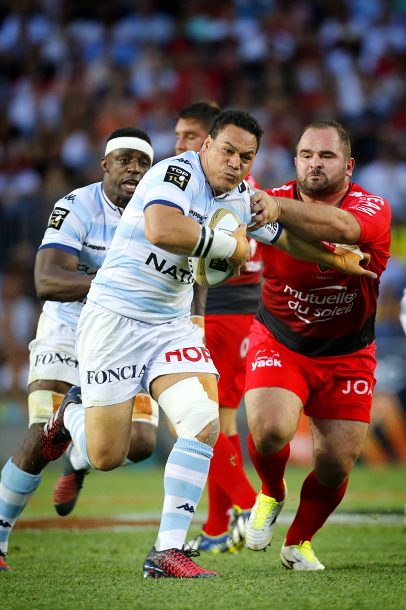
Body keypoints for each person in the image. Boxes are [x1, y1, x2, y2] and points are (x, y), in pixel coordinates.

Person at [37, 110, 373, 580]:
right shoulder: (174, 174)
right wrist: (227, 246)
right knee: (107, 454)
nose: (235, 163)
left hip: (170, 326)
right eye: (228, 151)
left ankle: (166, 551)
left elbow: (280, 238)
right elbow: (162, 230)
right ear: (206, 146)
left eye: (246, 157)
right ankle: (68, 416)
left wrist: (337, 260)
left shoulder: (237, 195)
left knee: (203, 422)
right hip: (115, 320)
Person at [0, 128, 158, 572]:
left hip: (129, 333)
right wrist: (112, 287)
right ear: (105, 165)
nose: (135, 169)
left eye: (143, 163)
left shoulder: (158, 211)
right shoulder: (76, 205)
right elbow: (46, 279)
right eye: (125, 160)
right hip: (69, 326)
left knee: (142, 443)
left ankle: (78, 458)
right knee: (37, 438)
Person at [243, 119, 391, 570]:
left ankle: (298, 542)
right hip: (281, 340)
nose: (314, 164)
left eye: (326, 156)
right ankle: (271, 492)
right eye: (306, 154)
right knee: (269, 433)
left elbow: (344, 228)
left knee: (335, 465)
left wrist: (277, 210)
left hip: (348, 352)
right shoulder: (267, 202)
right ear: (295, 161)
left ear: (348, 165)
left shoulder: (372, 207)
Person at [175, 101, 259, 553]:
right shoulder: (238, 185)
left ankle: (250, 504)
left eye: (190, 136)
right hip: (237, 313)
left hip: (218, 313)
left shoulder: (215, 189)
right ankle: (214, 527)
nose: (180, 145)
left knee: (191, 419)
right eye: (179, 136)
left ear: (211, 140)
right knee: (221, 421)